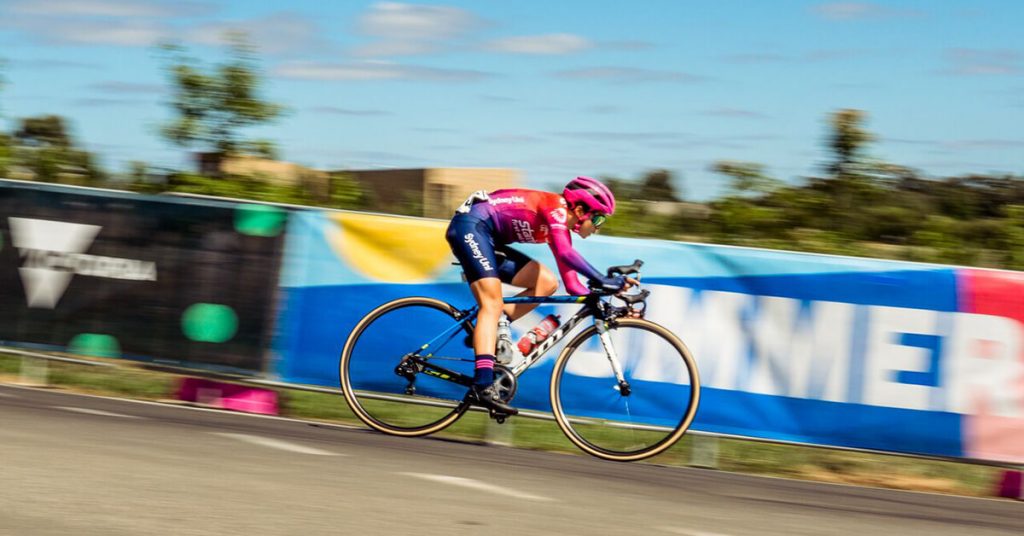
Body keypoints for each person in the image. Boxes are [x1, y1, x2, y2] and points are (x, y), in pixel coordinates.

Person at [445, 176, 636, 415]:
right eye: (597, 218)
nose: (598, 226)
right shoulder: (555, 208)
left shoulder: (560, 230)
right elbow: (566, 254)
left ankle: (491, 328)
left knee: (546, 283)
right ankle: (482, 384)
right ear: (579, 210)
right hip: (471, 227)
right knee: (491, 304)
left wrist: (606, 297)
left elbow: (572, 285)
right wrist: (604, 279)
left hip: (486, 236)